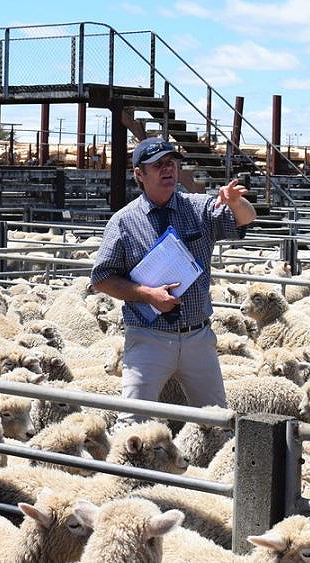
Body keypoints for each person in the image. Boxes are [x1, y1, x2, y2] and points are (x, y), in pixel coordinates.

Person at [91, 137, 256, 423]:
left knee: (218, 420)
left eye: (171, 164)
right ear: (139, 174)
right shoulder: (123, 222)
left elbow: (246, 220)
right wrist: (147, 294)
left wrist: (236, 203)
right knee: (133, 422)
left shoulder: (200, 208)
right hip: (147, 336)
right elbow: (101, 278)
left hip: (197, 337)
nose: (168, 170)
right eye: (158, 166)